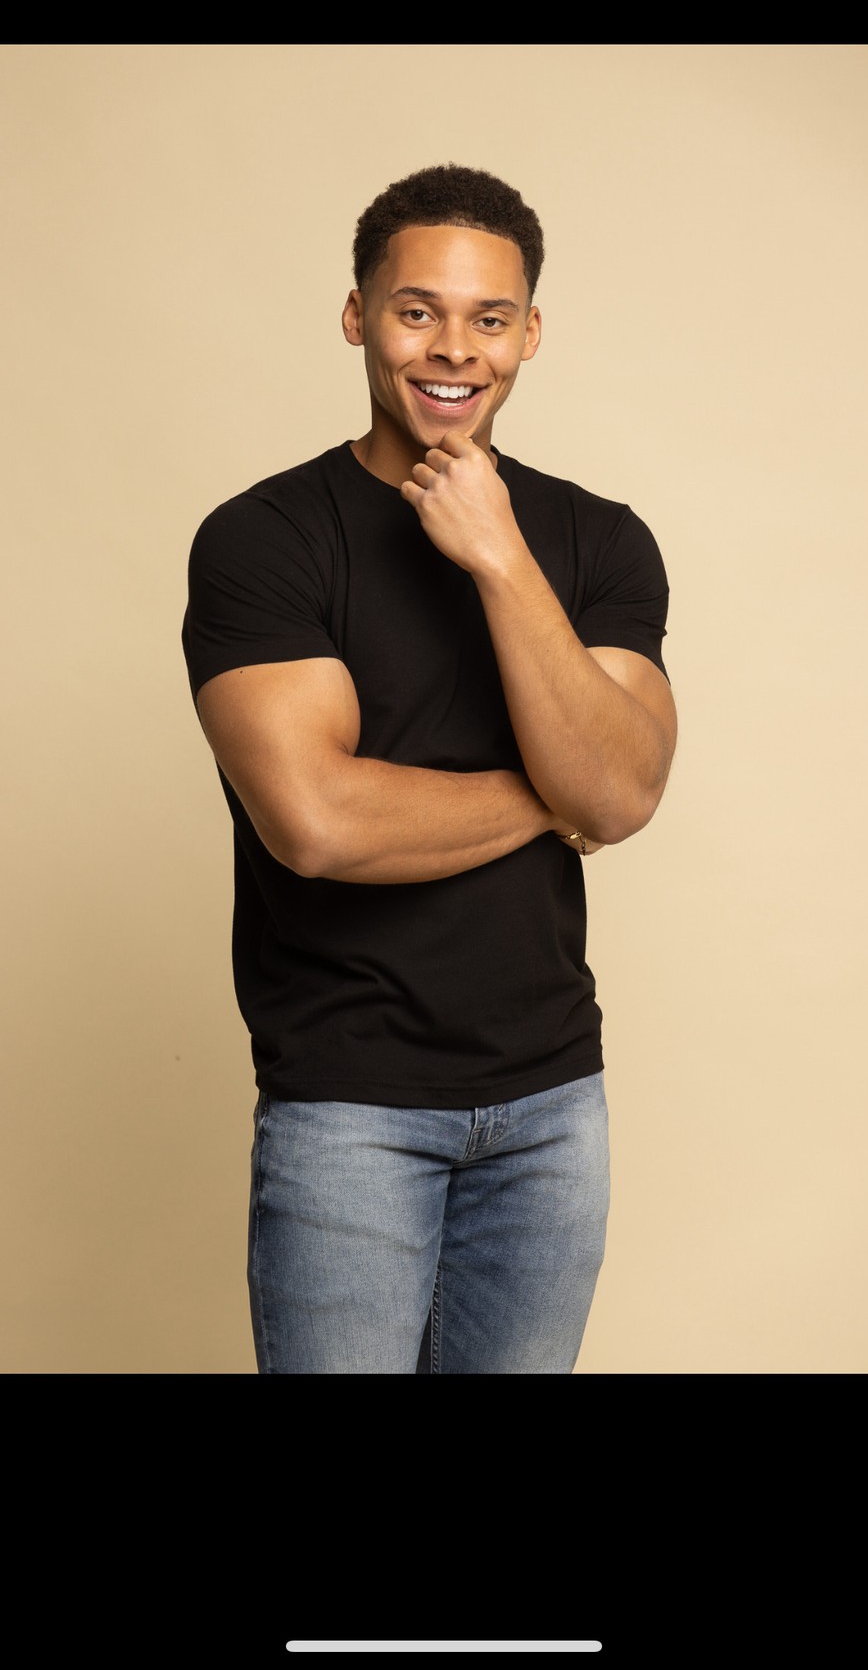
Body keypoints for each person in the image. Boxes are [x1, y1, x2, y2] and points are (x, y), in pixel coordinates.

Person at [181, 163, 677, 1374]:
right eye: (417, 310)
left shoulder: (596, 539)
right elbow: (318, 818)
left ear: (528, 333)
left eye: (488, 317)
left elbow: (621, 791)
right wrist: (554, 792)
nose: (454, 347)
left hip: (553, 1108)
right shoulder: (263, 538)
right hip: (348, 1110)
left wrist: (498, 555)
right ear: (358, 314)